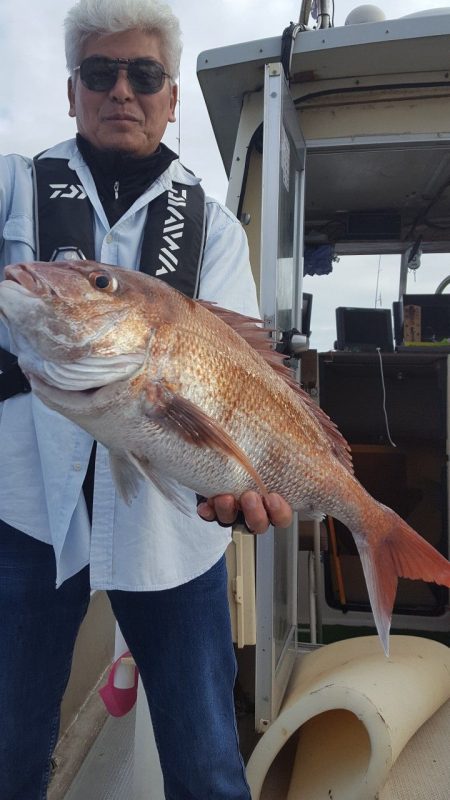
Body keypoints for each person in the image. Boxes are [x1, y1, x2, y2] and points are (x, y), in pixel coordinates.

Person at [0, 0, 293, 798]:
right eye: (100, 73)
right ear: (72, 92)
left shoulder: (215, 229)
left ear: (170, 97)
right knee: (10, 751)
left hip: (171, 532)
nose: (121, 91)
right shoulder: (15, 187)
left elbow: (237, 381)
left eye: (144, 75)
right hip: (26, 517)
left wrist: (242, 478)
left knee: (207, 764)